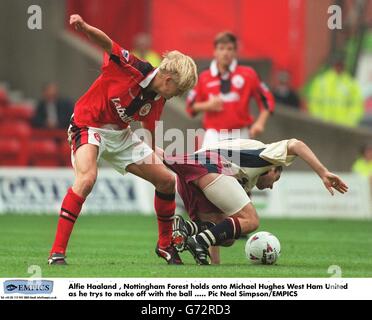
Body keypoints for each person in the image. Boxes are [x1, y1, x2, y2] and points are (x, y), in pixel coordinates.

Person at [48, 14, 198, 265]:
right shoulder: (133, 67)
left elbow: (148, 130)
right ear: (169, 80)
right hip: (88, 123)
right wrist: (84, 28)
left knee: (165, 181)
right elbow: (107, 43)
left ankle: (165, 246)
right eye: (179, 90)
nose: (178, 96)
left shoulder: (158, 99)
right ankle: (57, 253)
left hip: (120, 135)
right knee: (87, 179)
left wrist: (154, 152)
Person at [161, 138, 348, 265]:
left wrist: (214, 264)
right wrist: (323, 172)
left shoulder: (245, 179)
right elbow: (296, 145)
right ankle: (198, 240)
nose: (271, 187)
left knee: (225, 234)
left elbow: (220, 230)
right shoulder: (267, 155)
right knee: (251, 221)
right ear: (274, 170)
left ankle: (186, 229)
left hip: (191, 173)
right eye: (275, 180)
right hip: (211, 165)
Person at [186, 32, 275, 148]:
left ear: (235, 52)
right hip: (213, 135)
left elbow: (266, 99)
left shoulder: (248, 74)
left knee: (243, 166)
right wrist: (207, 105)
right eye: (221, 48)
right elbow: (190, 107)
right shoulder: (204, 77)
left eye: (230, 49)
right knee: (207, 165)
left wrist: (260, 123)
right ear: (215, 52)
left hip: (241, 133)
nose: (225, 53)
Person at [307, 56, 363, 127]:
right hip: (323, 125)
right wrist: (319, 120)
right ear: (333, 65)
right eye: (338, 64)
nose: (339, 67)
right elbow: (313, 103)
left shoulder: (351, 84)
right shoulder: (321, 82)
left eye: (341, 65)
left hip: (343, 127)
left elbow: (357, 107)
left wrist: (348, 123)